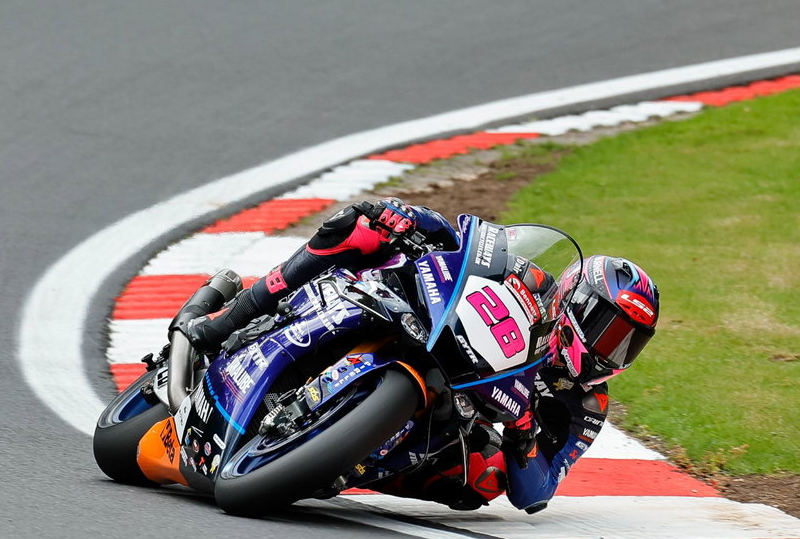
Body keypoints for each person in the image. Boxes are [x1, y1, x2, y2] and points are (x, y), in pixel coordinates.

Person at [179, 199, 660, 513]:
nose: (611, 349)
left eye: (628, 342)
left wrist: (523, 434)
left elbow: (538, 492)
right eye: (608, 329)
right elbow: (460, 244)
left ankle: (339, 463)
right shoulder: (533, 281)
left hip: (452, 414)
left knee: (485, 480)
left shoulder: (587, 405)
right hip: (412, 316)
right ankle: (229, 319)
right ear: (577, 301)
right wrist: (406, 219)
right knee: (357, 230)